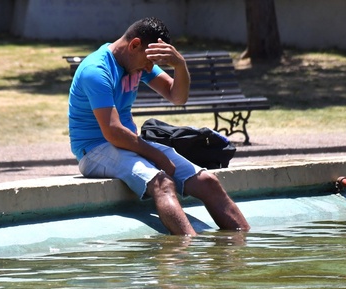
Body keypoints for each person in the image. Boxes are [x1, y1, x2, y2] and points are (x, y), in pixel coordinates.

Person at [68, 17, 250, 236]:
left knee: (208, 182)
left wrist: (180, 65)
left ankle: (244, 246)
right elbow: (113, 131)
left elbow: (177, 96)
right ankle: (188, 252)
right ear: (134, 45)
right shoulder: (96, 70)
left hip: (127, 145)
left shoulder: (137, 61)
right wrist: (159, 157)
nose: (150, 67)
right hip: (95, 151)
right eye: (149, 61)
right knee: (162, 182)